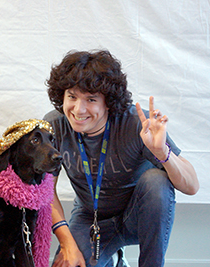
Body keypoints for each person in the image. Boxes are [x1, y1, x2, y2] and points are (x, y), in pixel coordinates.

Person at [43, 50, 199, 267]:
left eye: (91, 99)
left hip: (136, 216)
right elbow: (44, 188)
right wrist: (67, 242)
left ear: (107, 102)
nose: (78, 110)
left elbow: (192, 186)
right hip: (90, 217)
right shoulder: (55, 125)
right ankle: (113, 259)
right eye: (72, 96)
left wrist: (163, 154)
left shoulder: (137, 123)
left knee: (157, 180)